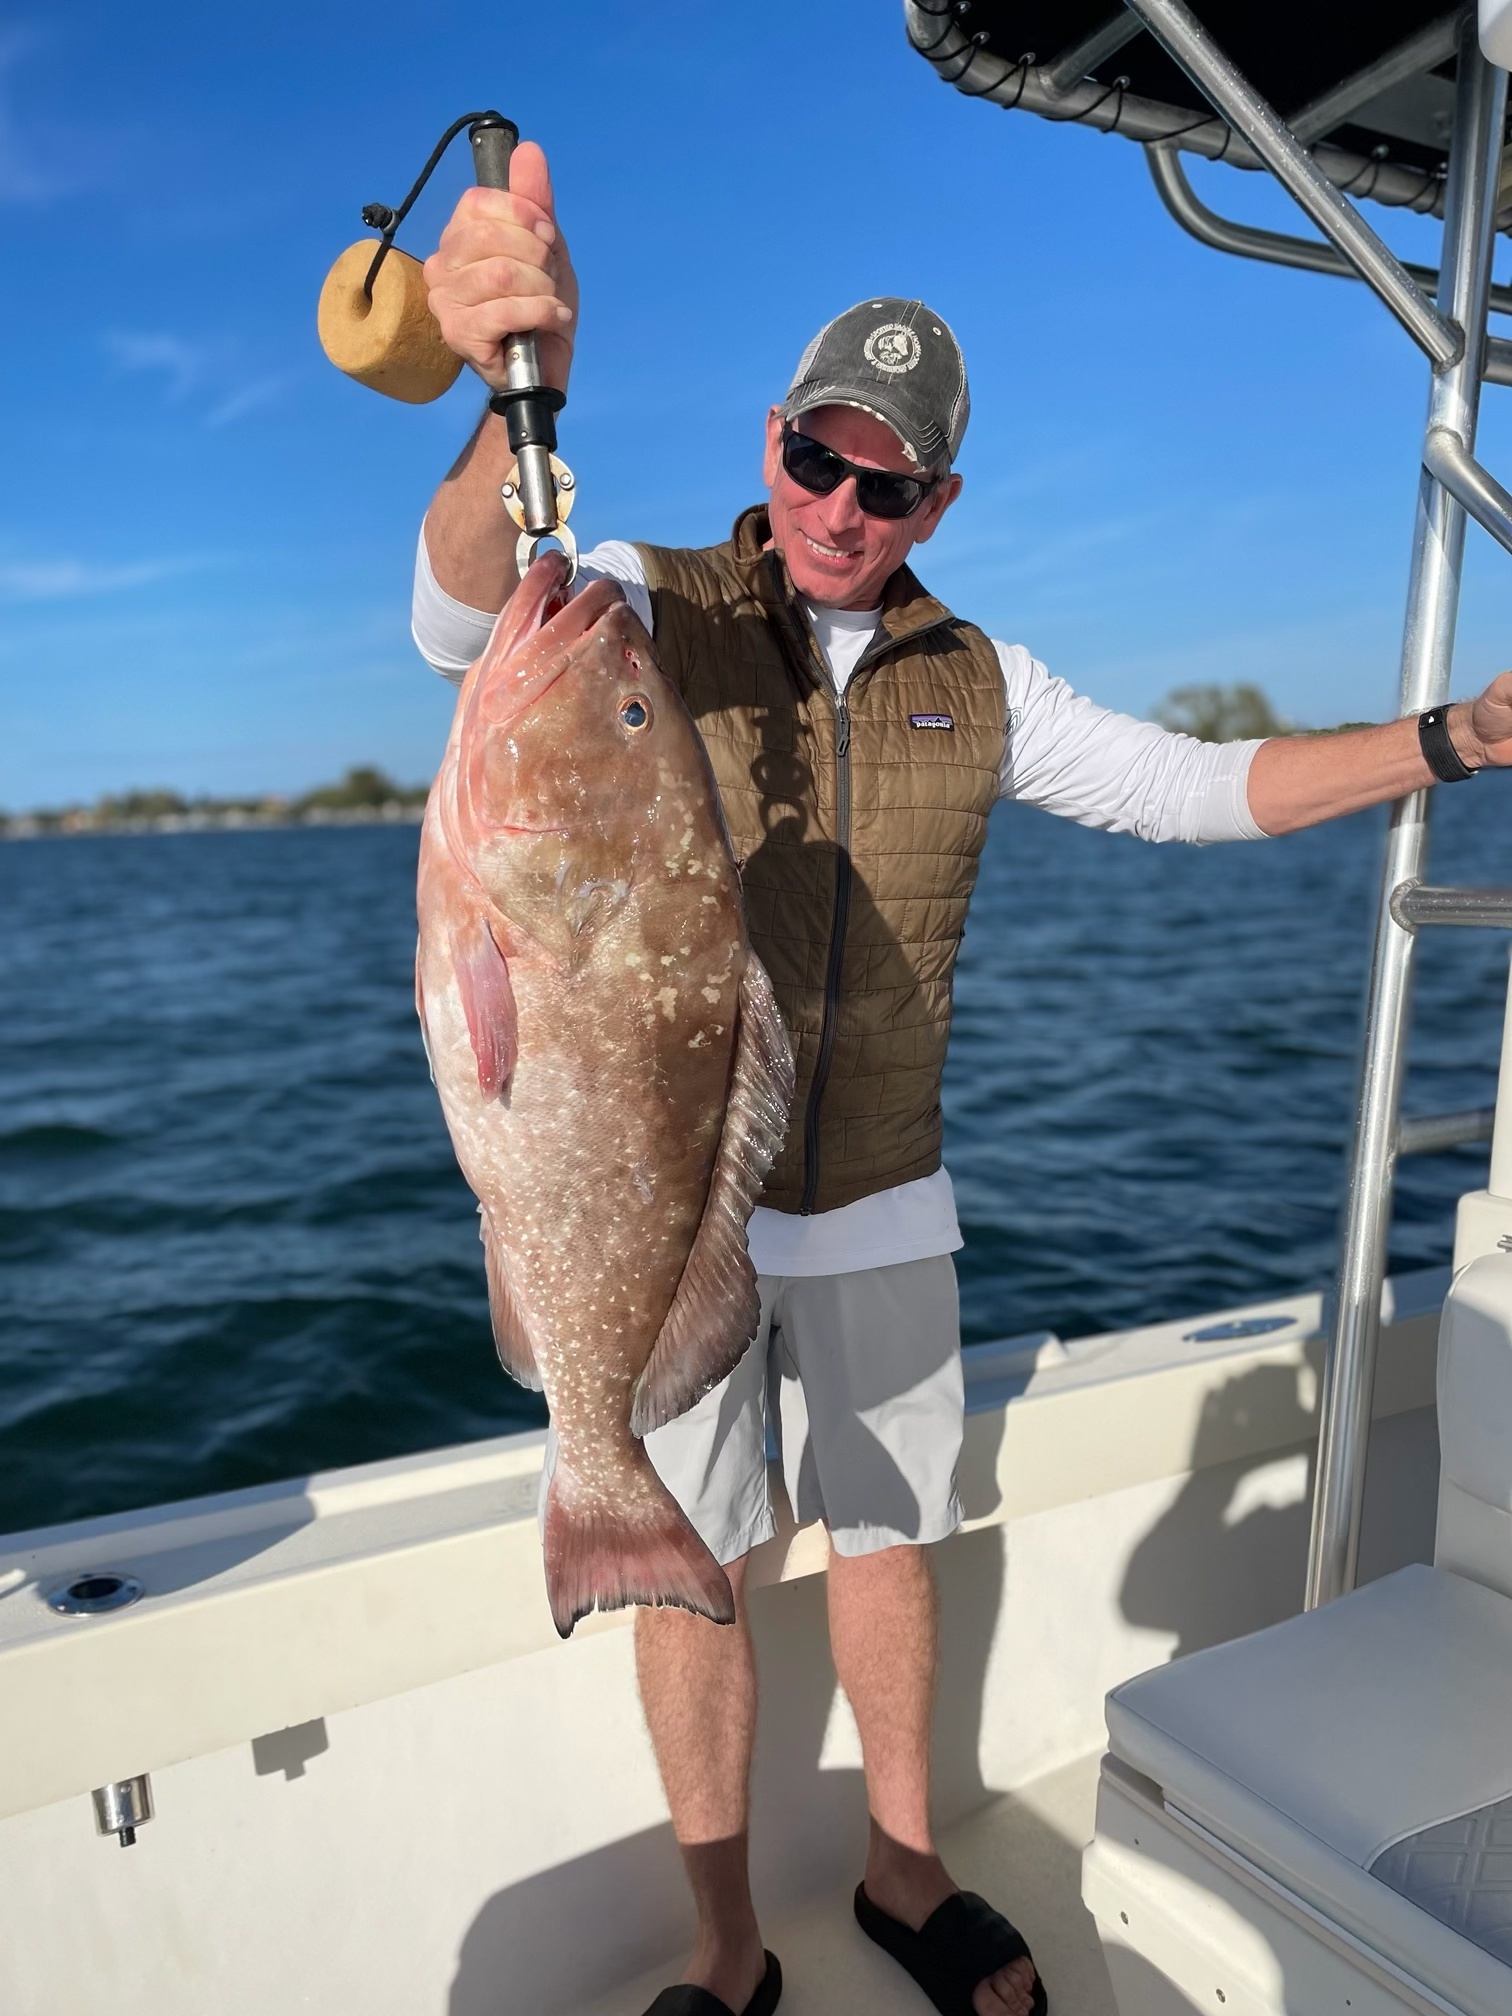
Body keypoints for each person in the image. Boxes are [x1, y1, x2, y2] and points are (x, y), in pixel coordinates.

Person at [410, 147, 1512, 2016]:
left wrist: (1455, 736)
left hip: (884, 1193)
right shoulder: (626, 603)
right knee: (706, 1561)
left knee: (893, 1537)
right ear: (774, 445)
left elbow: (1195, 786)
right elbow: (458, 618)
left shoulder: (982, 680)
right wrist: (489, 391)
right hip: (674, 1196)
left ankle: (906, 1875)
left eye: (891, 477)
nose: (846, 501)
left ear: (938, 497)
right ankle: (726, 1942)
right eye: (821, 456)